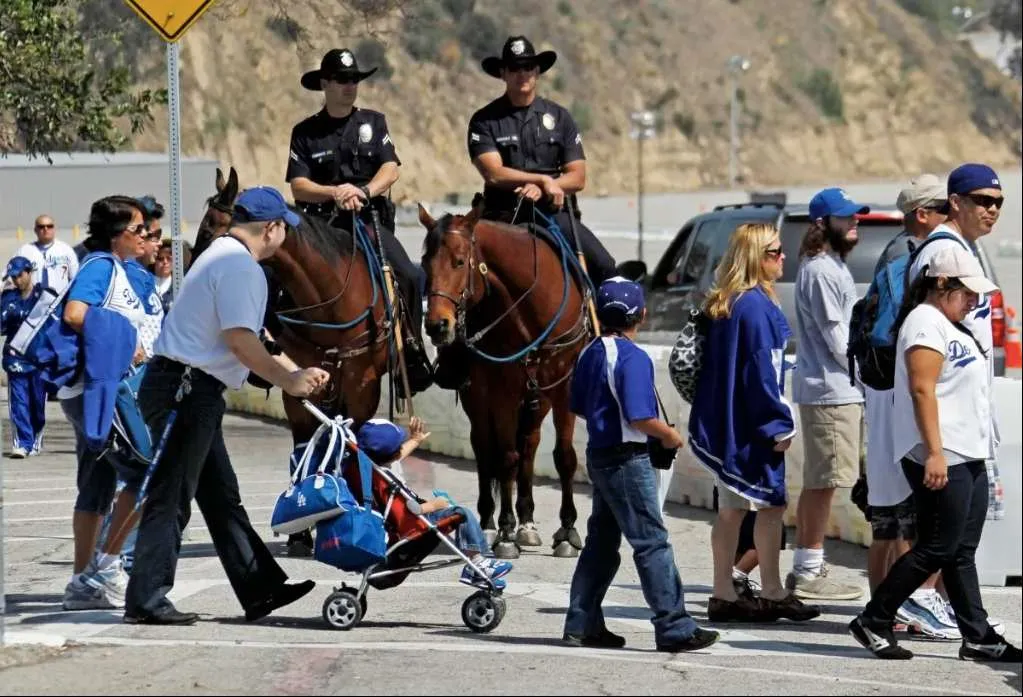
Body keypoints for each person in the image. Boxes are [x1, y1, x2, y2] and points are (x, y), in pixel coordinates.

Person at [124, 186, 330, 625]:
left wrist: (296, 373)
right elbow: (240, 340)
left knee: (220, 498)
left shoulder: (220, 253)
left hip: (185, 387)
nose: (283, 239)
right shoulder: (242, 268)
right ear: (271, 228)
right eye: (283, 230)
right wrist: (288, 379)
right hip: (187, 390)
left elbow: (256, 338)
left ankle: (260, 588)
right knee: (172, 496)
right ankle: (145, 598)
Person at [848, 246, 1021, 663]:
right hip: (940, 452)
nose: (975, 301)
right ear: (941, 284)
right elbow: (922, 390)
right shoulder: (925, 324)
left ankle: (977, 635)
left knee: (961, 548)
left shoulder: (950, 322)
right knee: (939, 547)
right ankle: (875, 617)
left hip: (968, 450)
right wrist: (935, 454)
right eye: (968, 293)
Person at [563, 277, 718, 653]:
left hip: (600, 455)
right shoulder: (632, 357)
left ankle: (582, 623)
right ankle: (674, 626)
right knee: (652, 543)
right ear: (642, 315)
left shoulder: (588, 352)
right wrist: (669, 435)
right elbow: (639, 417)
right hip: (626, 458)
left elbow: (578, 405)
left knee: (601, 542)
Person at [689, 223, 819, 623]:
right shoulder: (758, 308)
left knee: (731, 510)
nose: (783, 257)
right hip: (753, 425)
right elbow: (764, 372)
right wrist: (778, 424)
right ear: (754, 258)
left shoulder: (727, 302)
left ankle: (722, 591)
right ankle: (774, 591)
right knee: (771, 506)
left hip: (725, 424)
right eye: (774, 252)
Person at [286, 47, 432, 396]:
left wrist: (364, 191)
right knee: (280, 276)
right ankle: (273, 349)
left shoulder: (374, 122)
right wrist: (335, 192)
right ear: (324, 84)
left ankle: (409, 354)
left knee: (410, 276)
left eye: (354, 79)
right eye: (341, 80)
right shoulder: (305, 132)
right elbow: (299, 185)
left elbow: (391, 168)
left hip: (367, 221)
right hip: (322, 228)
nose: (349, 86)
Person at [863, 175, 959, 640]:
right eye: (945, 206)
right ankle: (904, 608)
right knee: (910, 515)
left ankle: (889, 607)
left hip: (883, 392)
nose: (952, 212)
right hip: (898, 394)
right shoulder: (912, 258)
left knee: (891, 515)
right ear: (923, 213)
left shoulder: (901, 251)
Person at [59, 196, 151, 611]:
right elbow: (76, 314)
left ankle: (81, 582)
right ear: (117, 235)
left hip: (92, 393)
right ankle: (109, 565)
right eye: (138, 230)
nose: (144, 236)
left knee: (96, 485)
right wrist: (124, 341)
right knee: (146, 474)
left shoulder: (119, 269)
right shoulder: (99, 266)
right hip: (100, 393)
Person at [466, 36, 615, 289]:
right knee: (464, 278)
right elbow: (493, 174)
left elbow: (578, 176)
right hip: (503, 215)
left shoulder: (560, 117)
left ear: (537, 71)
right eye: (514, 68)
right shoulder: (484, 121)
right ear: (503, 73)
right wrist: (542, 180)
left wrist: (546, 187)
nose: (521, 74)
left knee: (606, 266)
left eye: (527, 67)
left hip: (553, 213)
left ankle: (605, 325)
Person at [788, 188, 867, 601]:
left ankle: (808, 565)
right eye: (846, 217)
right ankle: (808, 570)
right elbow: (839, 340)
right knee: (823, 483)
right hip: (831, 391)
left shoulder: (832, 266)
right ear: (822, 223)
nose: (855, 222)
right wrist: (870, 374)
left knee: (824, 482)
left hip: (837, 389)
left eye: (855, 216)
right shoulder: (820, 270)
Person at [355, 416, 513, 588]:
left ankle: (479, 562)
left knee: (457, 512)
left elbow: (398, 455)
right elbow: (409, 509)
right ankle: (477, 562)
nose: (401, 447)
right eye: (398, 446)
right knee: (462, 514)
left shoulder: (375, 469)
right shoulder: (385, 479)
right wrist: (436, 505)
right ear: (391, 453)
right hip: (415, 524)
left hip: (413, 521)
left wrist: (415, 440)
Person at [1, 256, 46, 458]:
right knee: (19, 402)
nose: (17, 280)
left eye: (20, 275)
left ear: (29, 272)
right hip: (15, 359)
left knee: (37, 403)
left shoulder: (45, 296)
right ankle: (21, 442)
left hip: (40, 358)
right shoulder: (8, 298)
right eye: (13, 276)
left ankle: (35, 440)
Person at [14, 214, 78, 294]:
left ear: (55, 229)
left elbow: (75, 279)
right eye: (41, 226)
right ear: (35, 230)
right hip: (32, 303)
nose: (45, 229)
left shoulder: (66, 250)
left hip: (59, 302)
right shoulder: (24, 251)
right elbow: (7, 278)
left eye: (49, 226)